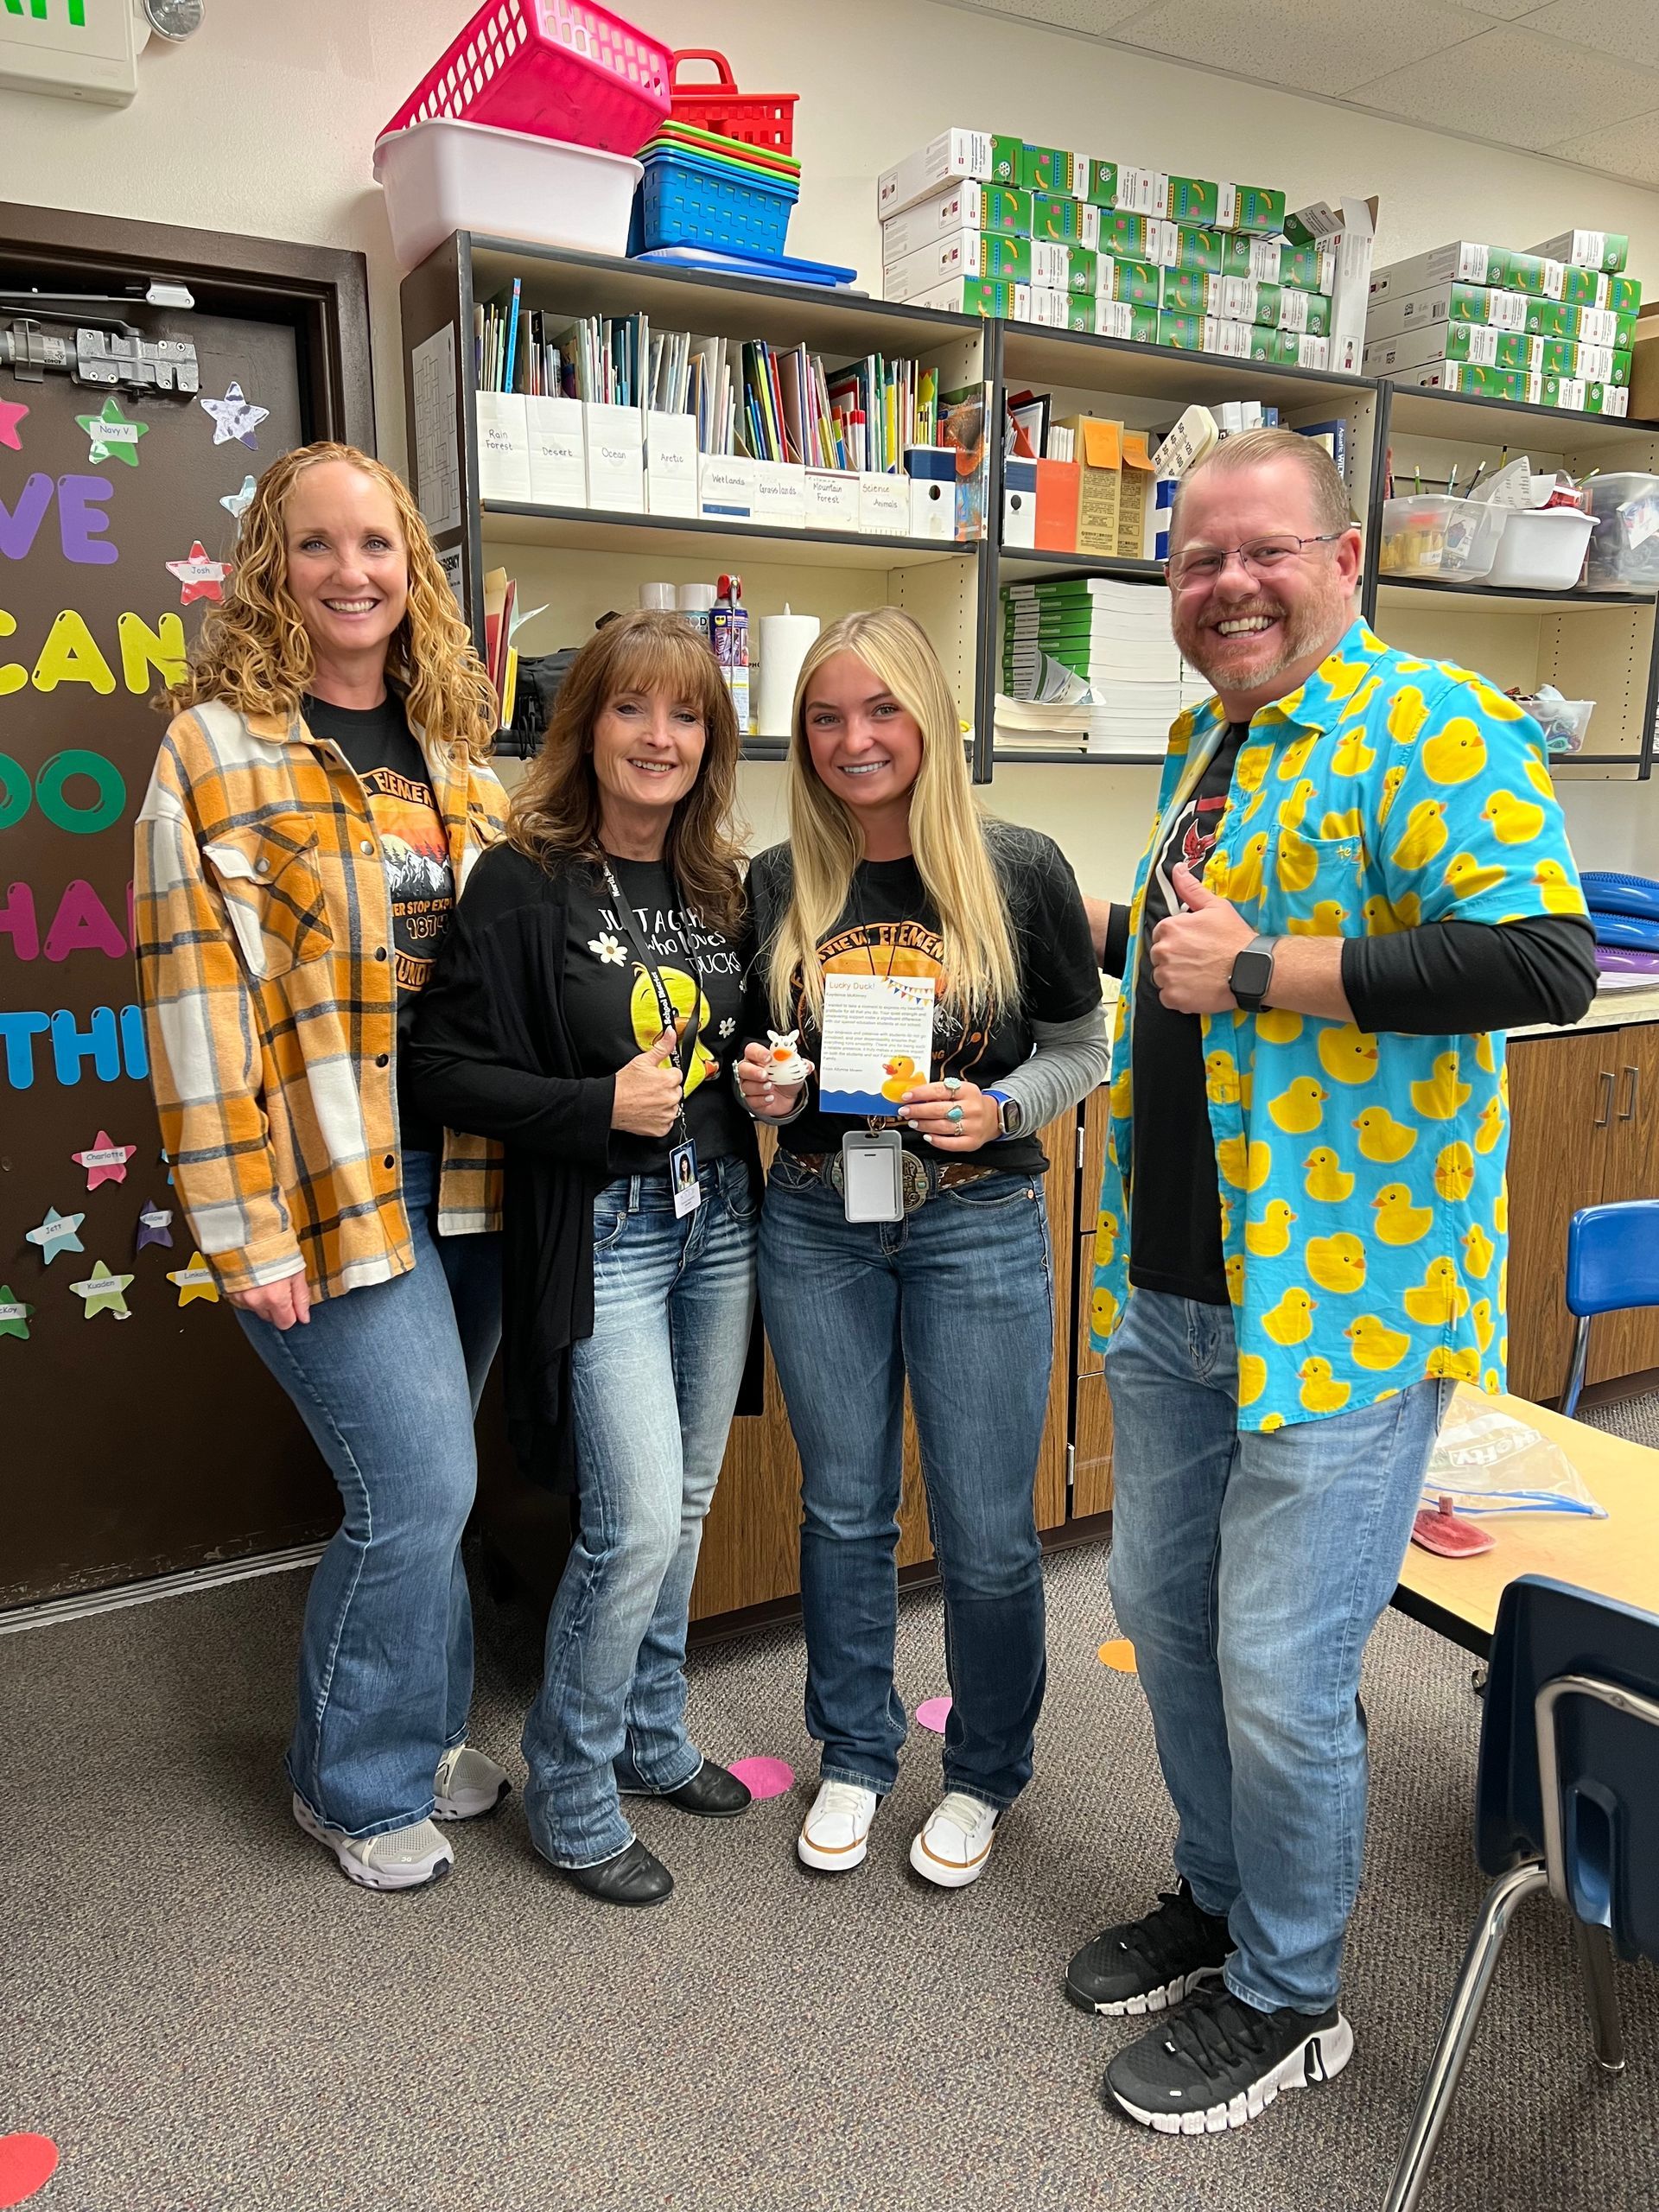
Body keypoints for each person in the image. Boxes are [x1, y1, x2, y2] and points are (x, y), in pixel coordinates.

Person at [1066, 427, 1597, 2132]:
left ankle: (1294, 1996)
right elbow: (1180, 973)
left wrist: (1266, 968)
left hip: (1340, 1306)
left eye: (1264, 549)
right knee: (1169, 1623)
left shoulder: (1433, 723)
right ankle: (1219, 1898)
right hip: (1173, 1292)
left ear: (1344, 555)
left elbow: (1544, 955)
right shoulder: (1198, 741)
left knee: (1283, 1669)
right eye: (1198, 557)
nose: (1229, 582)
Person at [133, 442, 512, 1891]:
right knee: (409, 1489)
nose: (354, 572)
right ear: (269, 569)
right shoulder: (215, 752)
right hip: (324, 1189)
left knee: (451, 1481)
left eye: (381, 544)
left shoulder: (462, 759)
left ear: (415, 568)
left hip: (468, 1174)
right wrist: (246, 1233)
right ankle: (346, 1783)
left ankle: (417, 1738)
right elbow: (193, 1013)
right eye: (318, 545)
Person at [735, 607, 1109, 1890]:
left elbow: (1080, 1046)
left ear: (932, 722)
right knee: (843, 1509)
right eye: (827, 717)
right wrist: (768, 1091)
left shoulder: (1020, 868)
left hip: (976, 1228)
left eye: (881, 710)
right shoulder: (781, 883)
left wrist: (1000, 1107)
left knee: (988, 1528)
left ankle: (988, 1769)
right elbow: (762, 1064)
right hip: (818, 1220)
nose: (855, 739)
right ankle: (854, 1749)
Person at [406, 610, 761, 1908]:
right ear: (588, 728)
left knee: (688, 1507)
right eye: (632, 710)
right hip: (602, 1234)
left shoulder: (719, 885)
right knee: (630, 1523)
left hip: (720, 1219)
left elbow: (736, 1051)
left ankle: (653, 1739)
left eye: (684, 716)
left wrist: (770, 1087)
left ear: (709, 741)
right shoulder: (522, 877)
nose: (657, 738)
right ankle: (569, 1784)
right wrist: (591, 1111)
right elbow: (443, 1068)